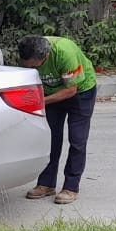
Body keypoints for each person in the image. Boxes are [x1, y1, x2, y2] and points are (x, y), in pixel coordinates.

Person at [17, 35, 97, 205]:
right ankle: (46, 184)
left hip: (80, 93)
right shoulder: (28, 50)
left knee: (77, 140)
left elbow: (71, 90)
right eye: (26, 64)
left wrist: (41, 102)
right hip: (50, 93)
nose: (28, 67)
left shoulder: (64, 52)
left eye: (33, 65)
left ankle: (71, 187)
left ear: (44, 56)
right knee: (51, 139)